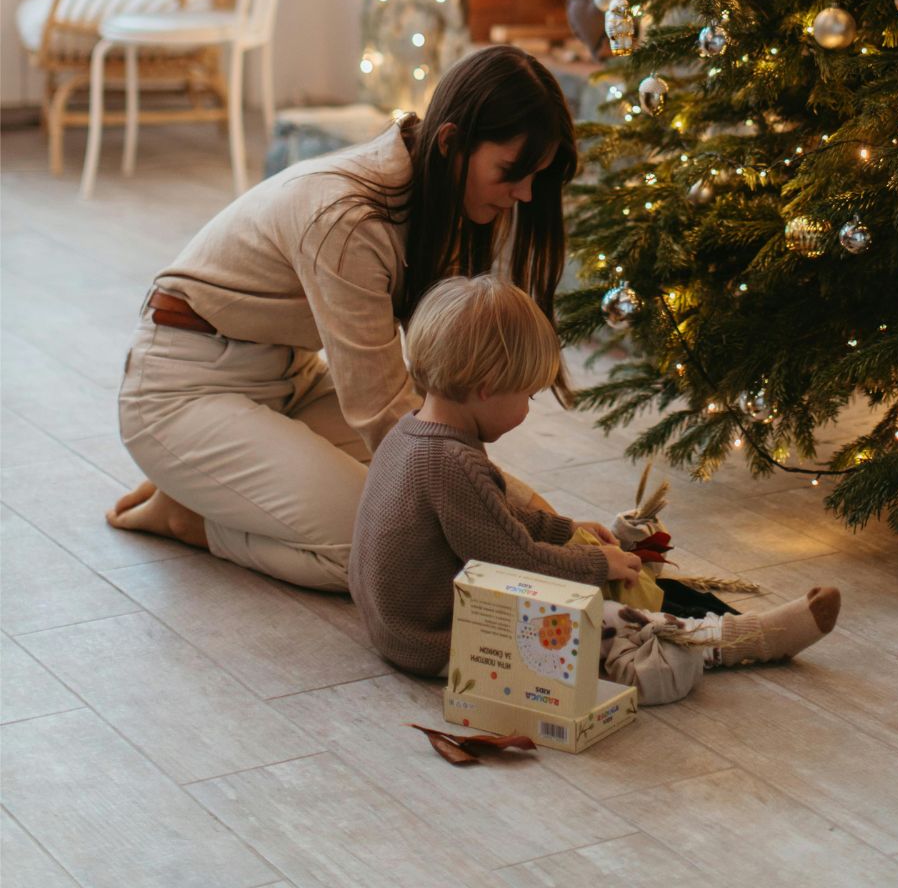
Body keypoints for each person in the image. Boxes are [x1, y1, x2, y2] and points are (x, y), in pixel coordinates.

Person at [106, 46, 576, 591]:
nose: (524, 194)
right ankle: (193, 520)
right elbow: (389, 415)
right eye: (512, 172)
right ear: (450, 142)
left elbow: (440, 413)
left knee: (430, 519)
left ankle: (215, 489)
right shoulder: (349, 222)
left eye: (536, 177)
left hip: (288, 382)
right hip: (180, 390)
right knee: (393, 552)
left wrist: (541, 528)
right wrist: (525, 523)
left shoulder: (445, 202)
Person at [349, 275, 842, 704]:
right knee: (608, 618)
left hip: (397, 628)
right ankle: (741, 639)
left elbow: (491, 518)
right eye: (527, 395)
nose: (526, 410)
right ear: (487, 385)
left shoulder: (413, 433)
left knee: (581, 572)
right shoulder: (452, 462)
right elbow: (515, 564)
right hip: (439, 639)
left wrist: (566, 530)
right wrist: (597, 564)